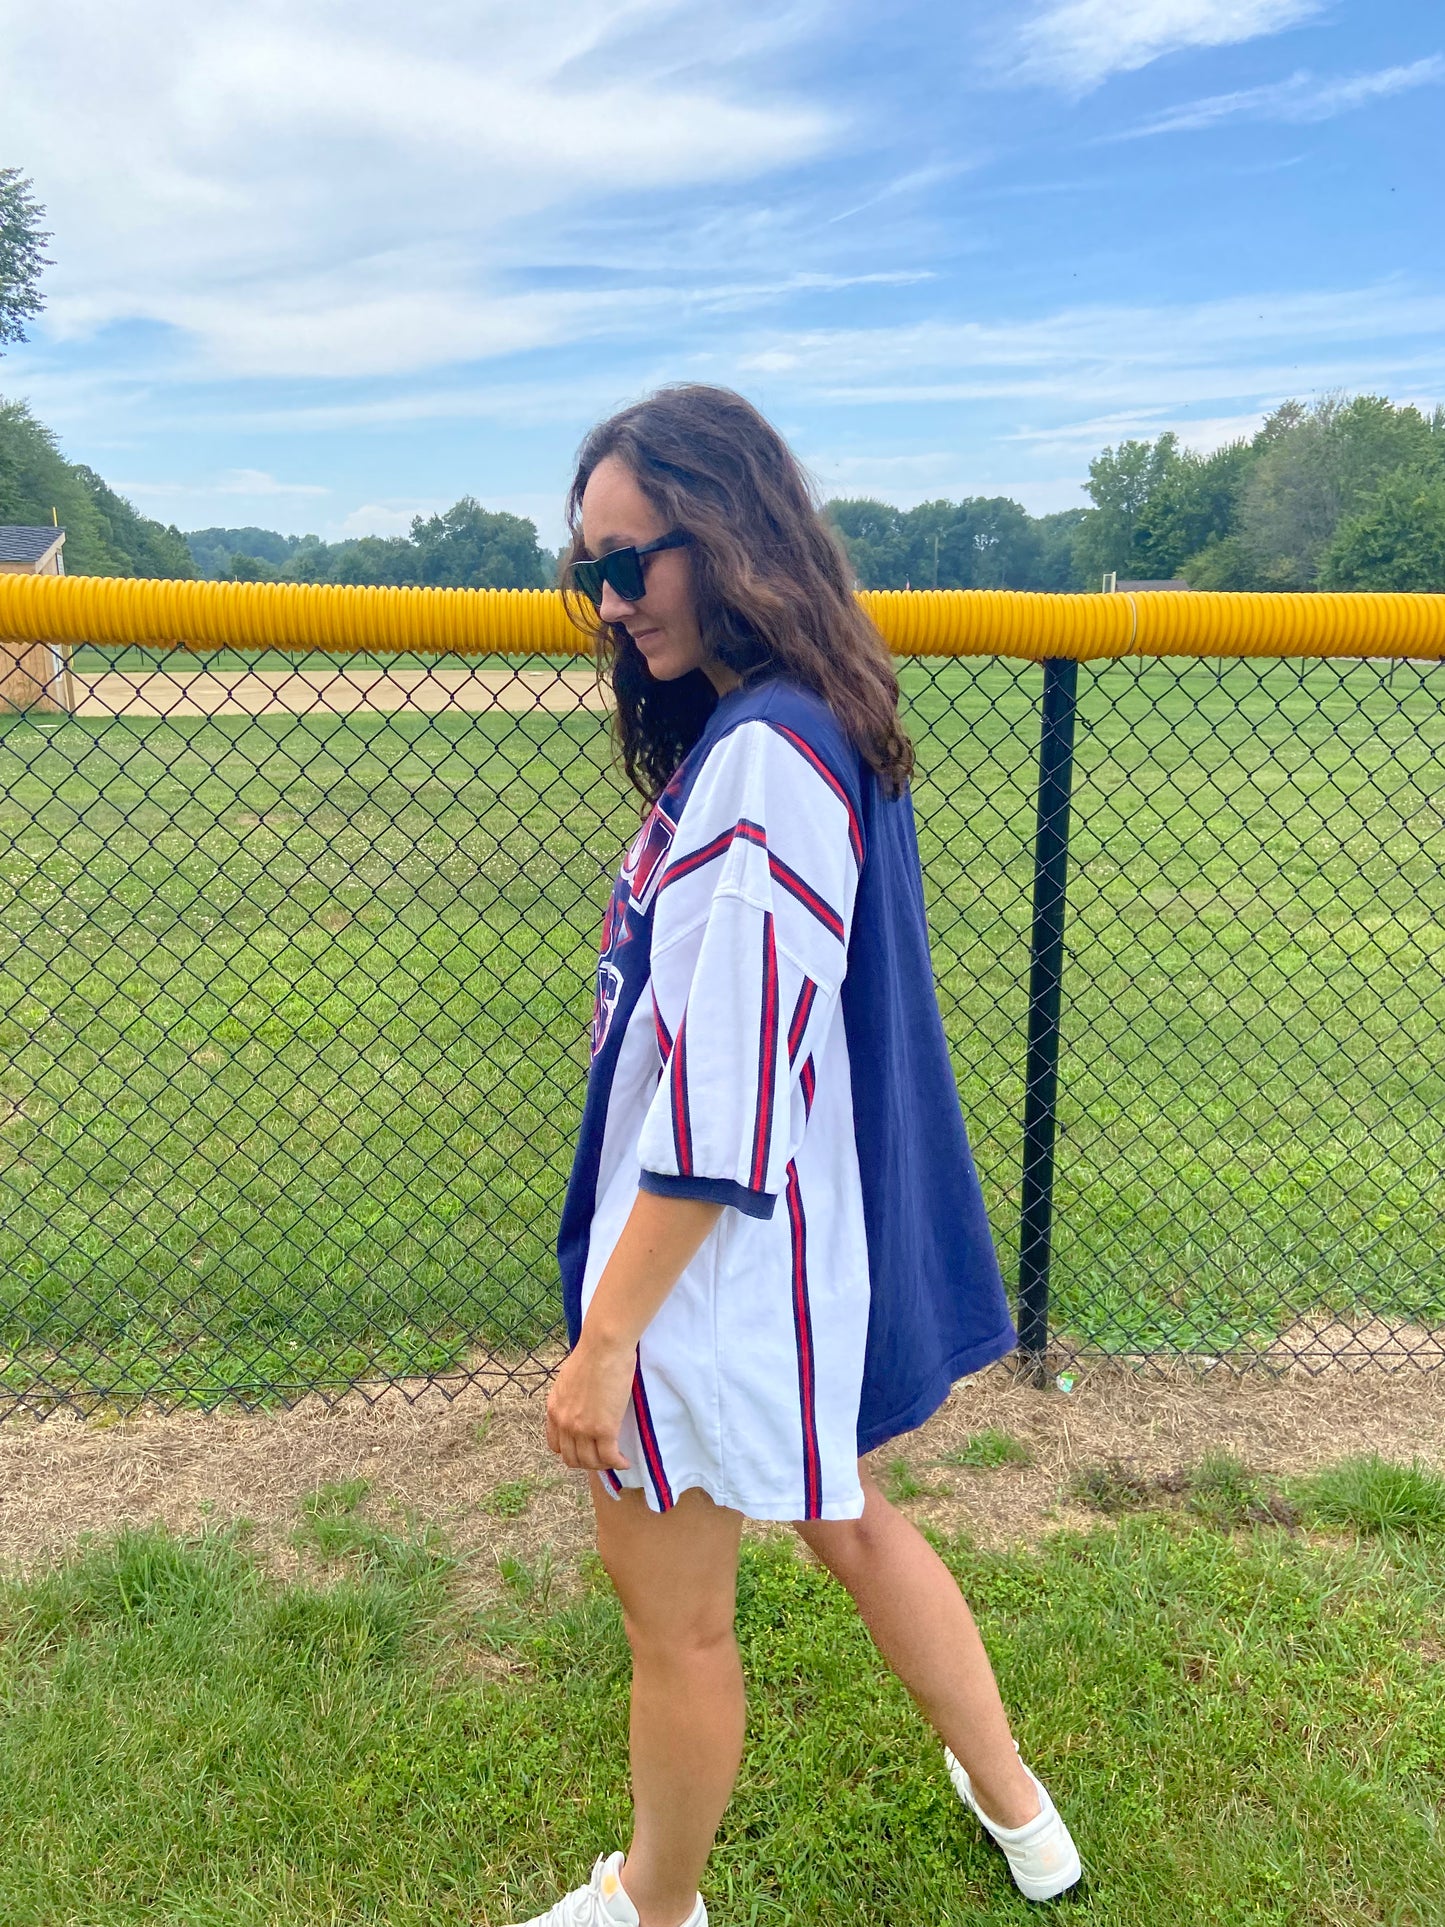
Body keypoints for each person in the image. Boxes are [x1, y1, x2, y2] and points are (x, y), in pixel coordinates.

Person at [514, 386, 1081, 1927]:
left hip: (707, 1271)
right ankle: (1023, 1813)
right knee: (843, 1517)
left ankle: (655, 1908)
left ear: (733, 535)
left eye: (636, 562)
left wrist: (605, 1337)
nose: (615, 603)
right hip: (783, 1253)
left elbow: (726, 1096)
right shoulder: (813, 716)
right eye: (591, 575)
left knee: (677, 1627)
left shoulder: (768, 755)